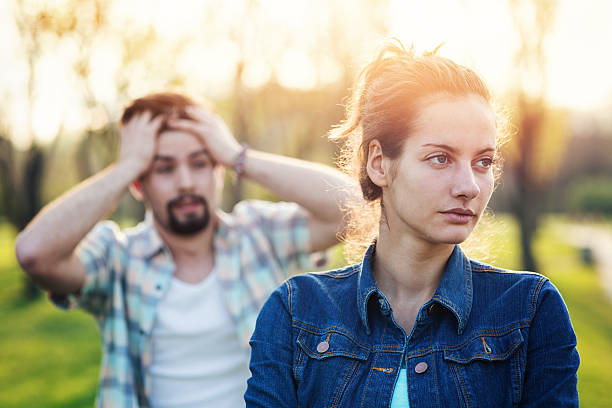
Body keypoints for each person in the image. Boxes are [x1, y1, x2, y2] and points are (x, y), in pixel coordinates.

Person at [245, 42, 580, 407]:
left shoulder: (530, 311)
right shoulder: (296, 311)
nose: (469, 186)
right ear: (379, 163)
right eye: (440, 158)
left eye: (483, 162)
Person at [15, 92, 356, 407]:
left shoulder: (258, 234)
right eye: (164, 168)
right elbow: (34, 253)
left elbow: (355, 207)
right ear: (138, 184)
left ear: (217, 170)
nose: (186, 182)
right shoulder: (117, 257)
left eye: (199, 163)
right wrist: (126, 166)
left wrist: (238, 156)